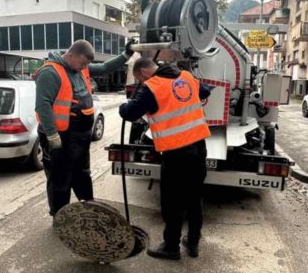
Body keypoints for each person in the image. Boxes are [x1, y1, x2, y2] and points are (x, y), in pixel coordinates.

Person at [119, 58, 212, 260]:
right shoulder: (186, 76)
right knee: (194, 198)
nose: (141, 82)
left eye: (139, 79)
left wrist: (123, 106)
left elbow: (130, 113)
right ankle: (193, 242)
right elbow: (205, 91)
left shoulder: (152, 87)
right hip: (199, 147)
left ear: (143, 73)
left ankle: (171, 247)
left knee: (172, 201)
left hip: (176, 153)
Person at [35, 39, 135, 216]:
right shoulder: (50, 72)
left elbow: (104, 67)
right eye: (82, 63)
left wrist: (125, 55)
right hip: (60, 137)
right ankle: (60, 216)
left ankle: (88, 209)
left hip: (79, 135)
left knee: (82, 173)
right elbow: (43, 106)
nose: (84, 67)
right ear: (71, 55)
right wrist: (52, 136)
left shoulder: (80, 68)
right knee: (60, 178)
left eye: (86, 64)